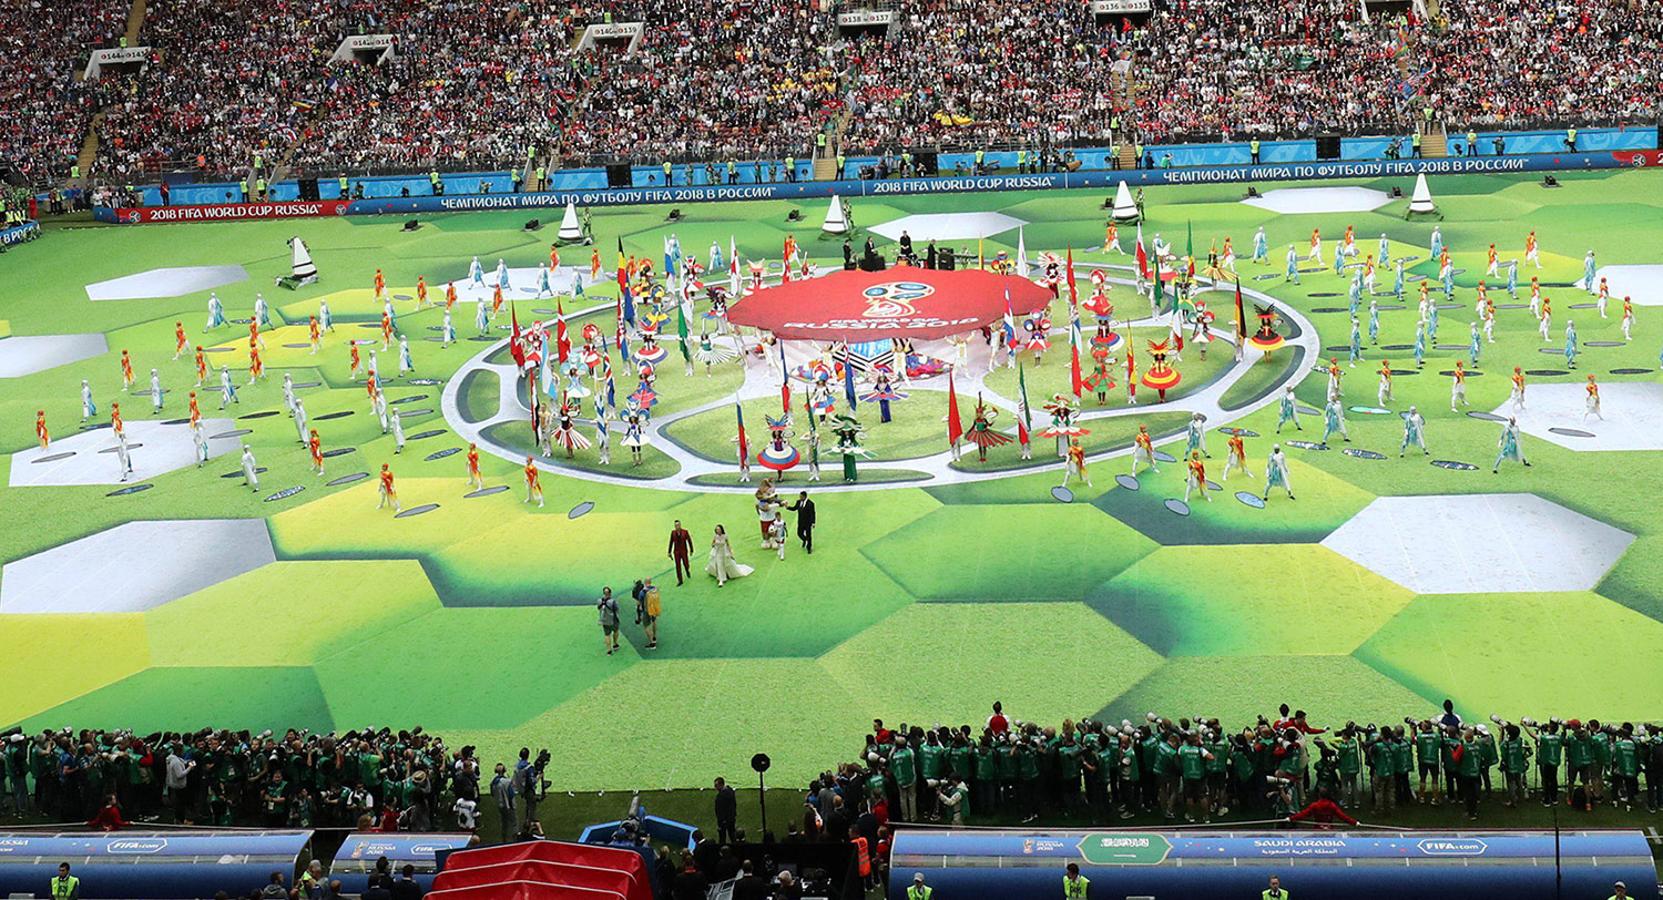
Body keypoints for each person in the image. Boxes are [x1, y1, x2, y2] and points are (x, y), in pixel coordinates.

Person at [668, 520, 694, 584]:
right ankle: (680, 580)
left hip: (684, 551)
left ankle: (687, 570)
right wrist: (669, 552)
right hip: (676, 552)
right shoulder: (673, 533)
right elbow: (671, 542)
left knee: (686, 563)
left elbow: (689, 541)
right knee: (678, 566)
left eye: (678, 525)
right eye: (676, 525)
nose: (677, 526)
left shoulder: (685, 532)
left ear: (680, 525)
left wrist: (691, 550)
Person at [713, 777, 737, 843]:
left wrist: (721, 820)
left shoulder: (720, 796)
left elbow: (719, 810)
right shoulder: (730, 791)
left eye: (716, 785)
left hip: (724, 820)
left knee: (722, 837)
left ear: (721, 785)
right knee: (732, 835)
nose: (715, 787)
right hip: (731, 818)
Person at [597, 587, 620, 655]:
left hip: (604, 620)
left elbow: (599, 608)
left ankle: (609, 650)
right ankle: (615, 644)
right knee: (616, 631)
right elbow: (617, 609)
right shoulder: (613, 601)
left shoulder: (599, 601)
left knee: (607, 635)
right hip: (613, 620)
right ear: (610, 593)